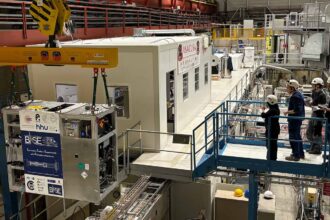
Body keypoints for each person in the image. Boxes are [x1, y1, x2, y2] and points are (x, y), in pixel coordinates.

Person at [284, 79, 305, 161]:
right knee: (297, 137)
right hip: (297, 119)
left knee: (293, 137)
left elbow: (296, 110)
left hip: (294, 120)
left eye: (288, 87)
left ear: (292, 88)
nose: (287, 89)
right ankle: (300, 154)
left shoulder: (295, 96)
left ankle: (295, 156)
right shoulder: (299, 94)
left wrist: (287, 112)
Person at [306, 77, 327, 154]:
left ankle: (317, 149)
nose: (312, 85)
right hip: (313, 114)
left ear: (317, 85)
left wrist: (315, 107)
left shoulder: (322, 95)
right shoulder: (314, 92)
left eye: (313, 84)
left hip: (319, 116)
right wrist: (310, 103)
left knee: (317, 133)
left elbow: (324, 107)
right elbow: (313, 102)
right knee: (309, 132)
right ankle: (313, 147)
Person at [261, 95, 280, 160]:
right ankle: (272, 158)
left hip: (272, 130)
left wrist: (263, 110)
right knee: (272, 145)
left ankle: (270, 159)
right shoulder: (275, 108)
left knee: (270, 145)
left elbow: (263, 115)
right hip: (273, 129)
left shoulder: (272, 110)